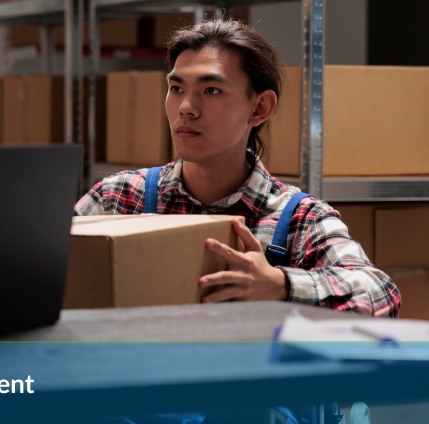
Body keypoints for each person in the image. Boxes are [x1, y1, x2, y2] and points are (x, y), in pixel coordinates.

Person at [76, 20, 400, 317]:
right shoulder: (119, 197)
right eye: (176, 88)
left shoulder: (298, 219)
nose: (186, 108)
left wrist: (281, 285)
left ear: (259, 108)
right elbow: (40, 271)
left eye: (211, 90)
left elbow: (381, 294)